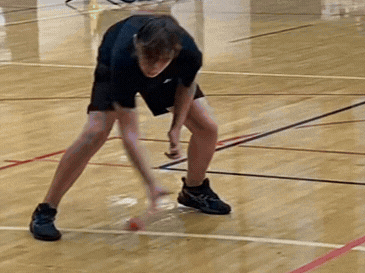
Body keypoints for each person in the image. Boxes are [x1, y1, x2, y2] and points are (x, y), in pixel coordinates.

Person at [28, 14, 230, 241]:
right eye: (149, 59)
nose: (153, 67)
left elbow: (186, 85)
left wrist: (176, 127)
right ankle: (46, 210)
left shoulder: (189, 53)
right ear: (137, 46)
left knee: (207, 127)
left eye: (161, 60)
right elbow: (130, 134)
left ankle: (194, 190)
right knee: (94, 133)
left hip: (164, 69)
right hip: (115, 64)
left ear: (174, 53)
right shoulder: (122, 57)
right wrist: (151, 185)